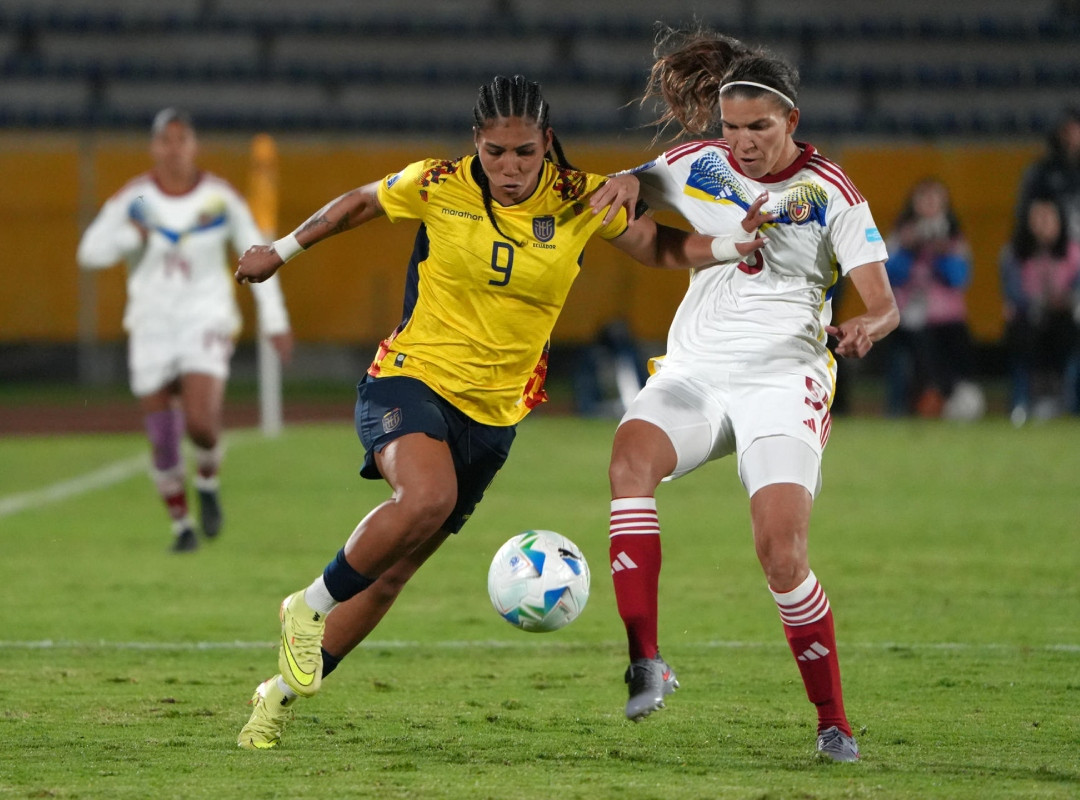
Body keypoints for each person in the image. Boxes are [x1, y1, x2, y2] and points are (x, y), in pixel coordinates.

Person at [233, 74, 771, 750]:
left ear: (547, 142)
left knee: (396, 570)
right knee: (426, 496)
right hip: (412, 378)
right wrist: (280, 251)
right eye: (494, 152)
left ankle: (275, 697)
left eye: (523, 152)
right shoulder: (437, 184)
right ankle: (306, 607)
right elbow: (359, 204)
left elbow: (656, 246)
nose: (509, 167)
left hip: (495, 417)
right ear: (475, 146)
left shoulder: (579, 198)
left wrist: (730, 248)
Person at [587, 28, 899, 761]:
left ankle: (833, 722)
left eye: (759, 127)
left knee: (781, 552)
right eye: (731, 128)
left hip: (784, 379)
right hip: (696, 370)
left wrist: (865, 329)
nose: (743, 142)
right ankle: (646, 661)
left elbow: (883, 301)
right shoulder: (697, 163)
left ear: (792, 121)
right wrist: (624, 191)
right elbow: (639, 201)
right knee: (628, 463)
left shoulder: (831, 192)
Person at [77, 108, 293, 552]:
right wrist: (130, 239)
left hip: (205, 317)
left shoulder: (218, 198)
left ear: (193, 145)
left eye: (181, 140)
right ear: (154, 147)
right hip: (151, 323)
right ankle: (182, 526)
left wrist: (274, 319)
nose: (173, 149)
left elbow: (259, 253)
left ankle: (208, 479)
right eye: (165, 141)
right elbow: (90, 252)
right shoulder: (137, 200)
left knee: (200, 424)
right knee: (161, 437)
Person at [882, 178, 980, 418]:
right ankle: (909, 405)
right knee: (912, 348)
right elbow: (888, 275)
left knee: (954, 349)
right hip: (907, 320)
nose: (929, 206)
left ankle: (953, 399)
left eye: (935, 201)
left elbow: (959, 279)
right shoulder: (898, 237)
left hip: (948, 320)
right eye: (924, 200)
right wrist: (908, 249)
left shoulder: (955, 240)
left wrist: (941, 252)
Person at [1000, 193, 1080, 423]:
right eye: (1038, 217)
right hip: (1029, 318)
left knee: (1069, 334)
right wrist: (1040, 304)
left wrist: (1063, 301)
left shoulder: (1074, 252)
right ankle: (1021, 403)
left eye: (1048, 217)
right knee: (1020, 333)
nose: (1043, 224)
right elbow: (1014, 292)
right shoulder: (1014, 253)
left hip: (1066, 318)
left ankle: (1068, 403)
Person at [1015, 106, 1080, 244]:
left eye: (1074, 129)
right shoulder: (1041, 172)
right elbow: (1025, 214)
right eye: (1065, 131)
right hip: (1057, 252)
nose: (1070, 136)